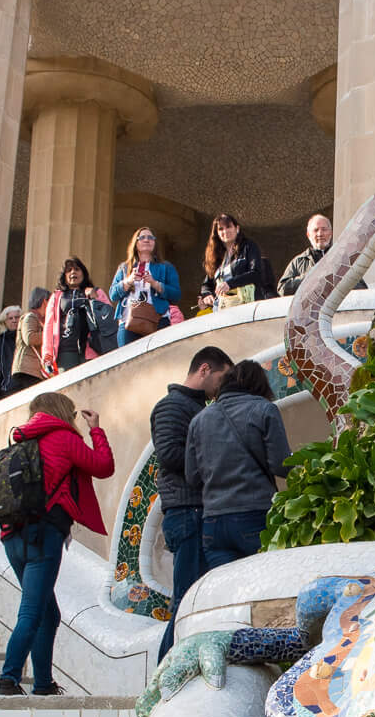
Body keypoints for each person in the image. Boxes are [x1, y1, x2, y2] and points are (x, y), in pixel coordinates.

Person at [0, 389, 114, 696]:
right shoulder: (63, 438)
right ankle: (8, 678)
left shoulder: (21, 440)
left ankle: (44, 685)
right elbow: (103, 466)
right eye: (72, 414)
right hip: (43, 535)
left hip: (11, 536)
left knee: (49, 613)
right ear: (63, 413)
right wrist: (96, 430)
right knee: (33, 612)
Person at [150, 344, 233, 662]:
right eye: (222, 377)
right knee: (186, 603)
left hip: (198, 512)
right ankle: (162, 680)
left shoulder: (196, 408)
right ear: (204, 370)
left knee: (198, 602)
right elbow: (169, 455)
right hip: (188, 513)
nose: (222, 386)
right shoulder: (173, 406)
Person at [185, 359, 291, 572]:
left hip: (213, 521)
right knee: (263, 586)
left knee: (227, 596)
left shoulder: (199, 420)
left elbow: (192, 476)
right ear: (260, 385)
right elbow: (281, 465)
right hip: (255, 514)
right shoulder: (264, 409)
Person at [41, 258, 113, 375]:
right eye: (69, 270)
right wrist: (47, 356)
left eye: (77, 269)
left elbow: (109, 319)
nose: (73, 272)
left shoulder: (96, 292)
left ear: (83, 273)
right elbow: (48, 328)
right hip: (66, 351)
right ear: (64, 276)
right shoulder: (56, 297)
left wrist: (94, 298)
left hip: (92, 348)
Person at [110, 228, 181, 347]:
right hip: (128, 322)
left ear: (155, 243)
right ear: (135, 243)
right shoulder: (125, 267)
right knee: (128, 362)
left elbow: (176, 294)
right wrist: (128, 281)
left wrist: (156, 284)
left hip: (158, 321)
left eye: (150, 238)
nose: (147, 240)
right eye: (142, 237)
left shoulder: (165, 267)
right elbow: (113, 294)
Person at [201, 214, 275, 308]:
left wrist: (230, 284)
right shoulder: (216, 255)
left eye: (228, 227)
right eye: (221, 229)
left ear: (237, 228)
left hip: (246, 305)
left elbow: (256, 274)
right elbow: (207, 283)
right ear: (216, 233)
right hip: (221, 308)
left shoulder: (248, 246)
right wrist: (206, 295)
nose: (225, 231)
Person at [277, 213, 335, 297]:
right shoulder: (298, 261)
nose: (320, 234)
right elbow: (282, 289)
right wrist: (309, 278)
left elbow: (359, 287)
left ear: (330, 233)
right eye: (315, 230)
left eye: (324, 229)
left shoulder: (342, 257)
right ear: (308, 235)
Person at [8, 289, 49, 395]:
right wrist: (50, 335)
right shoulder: (30, 317)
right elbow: (30, 338)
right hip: (26, 370)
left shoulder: (38, 319)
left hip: (32, 370)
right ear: (44, 301)